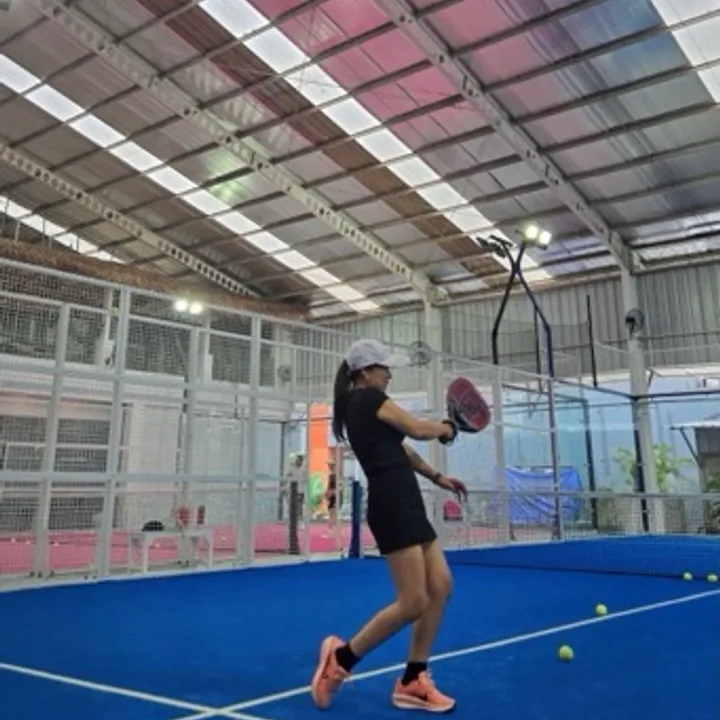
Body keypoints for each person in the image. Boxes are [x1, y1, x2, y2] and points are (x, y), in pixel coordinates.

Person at [311, 339, 467, 713]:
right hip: (392, 502)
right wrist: (446, 427)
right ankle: (340, 659)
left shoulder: (365, 406)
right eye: (384, 368)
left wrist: (437, 476)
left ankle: (413, 679)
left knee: (441, 585)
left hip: (406, 498)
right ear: (365, 372)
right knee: (413, 601)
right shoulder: (366, 398)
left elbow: (403, 449)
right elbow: (416, 429)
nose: (389, 374)